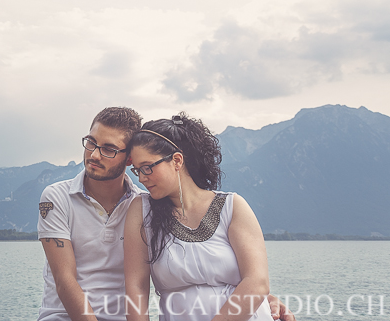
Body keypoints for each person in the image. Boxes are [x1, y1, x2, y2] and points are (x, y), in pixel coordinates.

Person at [37, 107, 292, 321]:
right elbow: (75, 282)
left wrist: (264, 298)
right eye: (91, 143)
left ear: (177, 161)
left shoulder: (145, 202)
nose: (93, 154)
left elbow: (254, 280)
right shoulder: (140, 208)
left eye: (108, 149)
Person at [123, 113, 273, 321]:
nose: (141, 177)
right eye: (137, 170)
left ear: (176, 160)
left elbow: (257, 283)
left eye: (147, 167)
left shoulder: (232, 206)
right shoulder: (141, 210)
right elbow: (136, 288)